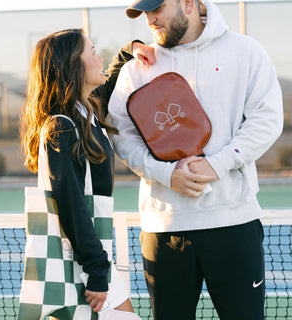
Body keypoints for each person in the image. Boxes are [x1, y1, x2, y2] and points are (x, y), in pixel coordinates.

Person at [108, 0, 284, 319]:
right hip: (166, 231)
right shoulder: (137, 67)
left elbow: (267, 119)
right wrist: (166, 174)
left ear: (188, 3)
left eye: (157, 8)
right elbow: (121, 135)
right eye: (144, 12)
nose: (149, 18)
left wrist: (218, 164)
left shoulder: (245, 51)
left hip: (234, 224)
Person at [20, 28, 155, 318]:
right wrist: (95, 269)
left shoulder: (85, 114)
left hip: (89, 259)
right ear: (72, 65)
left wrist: (130, 49)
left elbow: (109, 83)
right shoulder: (63, 128)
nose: (99, 57)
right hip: (83, 263)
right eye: (92, 51)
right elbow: (70, 203)